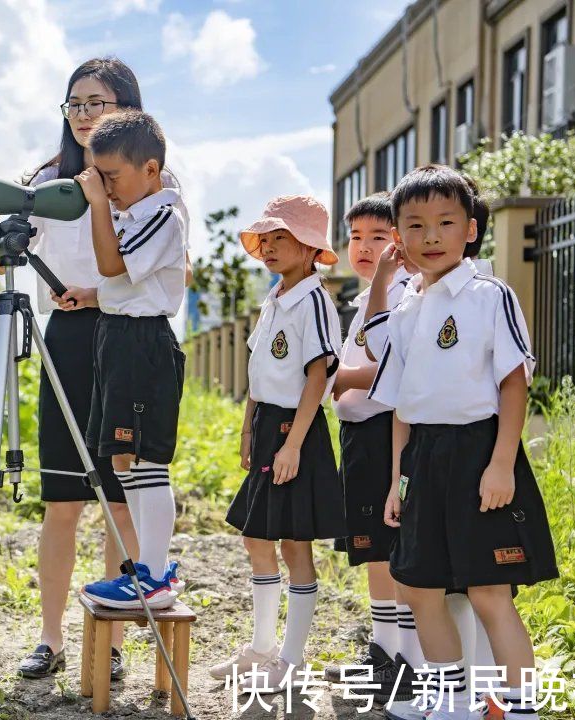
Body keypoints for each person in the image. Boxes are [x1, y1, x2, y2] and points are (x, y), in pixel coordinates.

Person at [0, 57, 154, 682]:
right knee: (64, 500)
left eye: (97, 103)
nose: (83, 115)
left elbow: (156, 275)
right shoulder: (45, 181)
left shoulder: (154, 182)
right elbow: (5, 263)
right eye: (75, 104)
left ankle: (113, 640)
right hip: (66, 341)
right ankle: (49, 637)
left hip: (128, 337)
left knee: (121, 501)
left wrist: (97, 295)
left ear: (127, 107)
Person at [367, 165, 558, 720]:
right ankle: (452, 703)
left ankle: (522, 710)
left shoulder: (486, 294)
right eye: (415, 225)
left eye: (445, 222)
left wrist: (502, 465)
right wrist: (398, 483)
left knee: (488, 591)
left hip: (480, 453)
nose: (430, 237)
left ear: (470, 230)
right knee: (420, 590)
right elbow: (396, 389)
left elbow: (514, 381)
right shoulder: (406, 307)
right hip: (424, 457)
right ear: (399, 236)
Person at [209, 195, 346, 693]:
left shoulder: (313, 300)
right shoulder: (275, 297)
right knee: (257, 537)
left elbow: (318, 375)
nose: (267, 246)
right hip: (268, 425)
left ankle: (291, 659)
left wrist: (293, 446)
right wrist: (248, 429)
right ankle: (262, 649)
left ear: (310, 247)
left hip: (297, 430)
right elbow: (257, 372)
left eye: (280, 237)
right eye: (264, 238)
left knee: (294, 543)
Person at [75, 110, 188, 610]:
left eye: (113, 177)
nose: (106, 187)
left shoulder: (162, 210)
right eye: (99, 178)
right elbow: (120, 283)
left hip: (144, 345)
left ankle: (157, 575)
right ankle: (147, 567)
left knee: (147, 459)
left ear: (151, 169)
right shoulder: (134, 211)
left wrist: (97, 204)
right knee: (123, 457)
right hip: (118, 337)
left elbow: (111, 263)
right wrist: (91, 295)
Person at [322, 193, 412, 704]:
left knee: (389, 547)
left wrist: (343, 375)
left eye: (378, 237)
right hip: (358, 433)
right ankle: (381, 649)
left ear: (399, 242)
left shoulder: (401, 294)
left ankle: (403, 658)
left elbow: (399, 366)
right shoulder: (361, 301)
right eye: (356, 237)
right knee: (371, 549)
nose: (364, 247)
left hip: (384, 433)